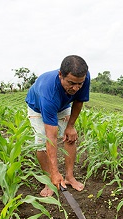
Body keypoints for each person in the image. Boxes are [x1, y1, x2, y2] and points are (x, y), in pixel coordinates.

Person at [25, 55, 90, 196]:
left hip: (62, 104)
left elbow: (79, 101)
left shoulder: (83, 78)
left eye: (80, 84)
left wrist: (70, 126)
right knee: (42, 142)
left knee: (70, 137)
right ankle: (49, 180)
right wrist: (54, 172)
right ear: (60, 75)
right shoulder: (48, 93)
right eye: (71, 83)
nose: (76, 88)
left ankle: (69, 177)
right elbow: (51, 138)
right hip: (38, 107)